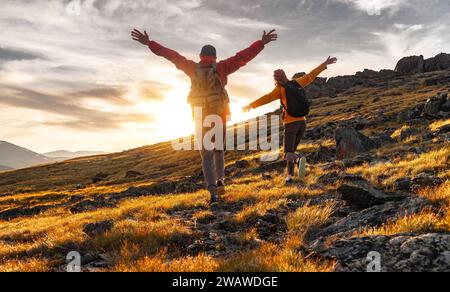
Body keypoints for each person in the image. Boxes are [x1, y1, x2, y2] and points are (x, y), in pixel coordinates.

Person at [131, 28, 278, 205]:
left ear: (200, 56)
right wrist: (261, 43)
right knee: (219, 150)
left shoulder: (192, 67)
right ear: (215, 57)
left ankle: (212, 192)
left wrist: (149, 43)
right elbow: (242, 57)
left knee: (206, 155)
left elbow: (171, 55)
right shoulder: (222, 67)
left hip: (200, 116)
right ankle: (221, 180)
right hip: (220, 114)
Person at [243, 57, 338, 184]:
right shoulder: (296, 83)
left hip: (291, 124)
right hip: (302, 123)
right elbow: (311, 75)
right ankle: (289, 177)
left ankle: (299, 159)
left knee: (288, 153)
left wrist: (250, 106)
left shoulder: (279, 89)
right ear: (285, 75)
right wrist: (324, 64)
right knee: (291, 151)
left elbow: (266, 98)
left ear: (275, 79)